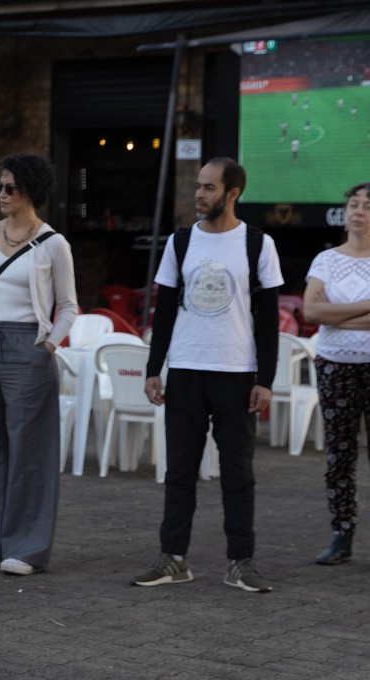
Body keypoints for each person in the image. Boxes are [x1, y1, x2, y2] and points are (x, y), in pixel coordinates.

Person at [134, 158, 281, 593]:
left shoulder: (257, 243)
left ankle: (240, 562)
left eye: (209, 187)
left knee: (238, 474)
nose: (199, 194)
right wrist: (153, 369)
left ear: (233, 193)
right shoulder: (181, 242)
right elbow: (163, 312)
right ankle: (173, 558)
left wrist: (266, 379)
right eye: (198, 186)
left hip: (237, 373)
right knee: (179, 472)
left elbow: (268, 319)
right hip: (185, 370)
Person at [0, 152, 77, 576]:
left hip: (28, 342)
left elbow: (69, 306)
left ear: (30, 191)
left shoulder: (54, 243)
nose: (2, 194)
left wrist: (48, 345)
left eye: (10, 188)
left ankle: (25, 548)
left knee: (30, 448)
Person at [301, 182, 370, 566]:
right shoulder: (326, 261)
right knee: (339, 454)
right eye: (354, 204)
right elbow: (311, 312)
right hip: (334, 365)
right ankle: (341, 536)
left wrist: (336, 317)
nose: (358, 211)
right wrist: (365, 309)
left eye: (367, 206)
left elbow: (324, 315)